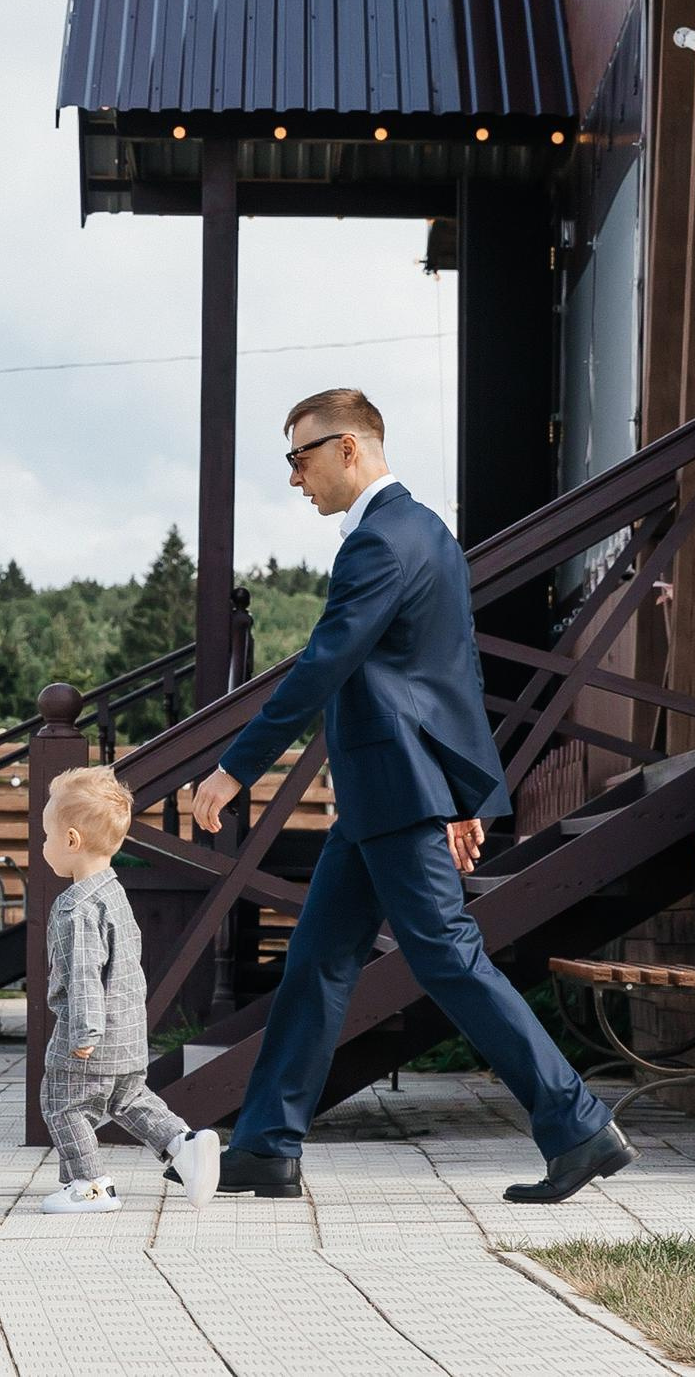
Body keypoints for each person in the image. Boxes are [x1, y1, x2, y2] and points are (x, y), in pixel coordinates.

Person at [188, 387, 634, 1205]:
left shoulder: (379, 544)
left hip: (393, 790)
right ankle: (266, 1144)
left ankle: (578, 1125)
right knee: (318, 961)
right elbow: (452, 673)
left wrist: (234, 767)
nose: (294, 477)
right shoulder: (427, 531)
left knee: (448, 958)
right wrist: (464, 795)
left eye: (299, 457)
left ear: (348, 447)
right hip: (385, 793)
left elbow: (323, 665)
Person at [37, 765, 222, 1213]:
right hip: (127, 1031)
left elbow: (84, 974)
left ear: (72, 840)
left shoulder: (75, 908)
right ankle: (183, 1145)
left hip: (90, 1034)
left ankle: (89, 1187)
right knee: (128, 1098)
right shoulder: (115, 894)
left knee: (63, 1105)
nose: (42, 845)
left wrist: (84, 1032)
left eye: (46, 836)